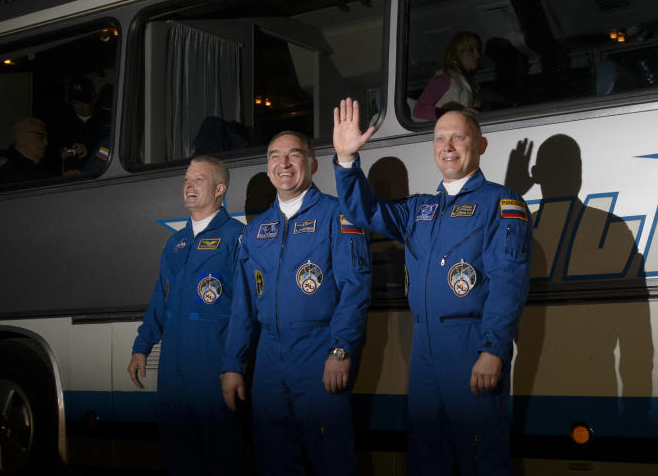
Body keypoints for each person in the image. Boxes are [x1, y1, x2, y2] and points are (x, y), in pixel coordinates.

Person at [332, 98, 532, 476]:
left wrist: (493, 349)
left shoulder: (502, 203)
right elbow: (365, 211)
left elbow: (509, 281)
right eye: (441, 139)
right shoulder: (419, 209)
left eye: (459, 137)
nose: (448, 147)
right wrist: (346, 162)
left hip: (471, 344)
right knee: (426, 455)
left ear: (481, 145)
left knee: (481, 454)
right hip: (424, 348)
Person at [221, 130, 371, 476]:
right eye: (275, 156)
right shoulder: (257, 230)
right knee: (273, 458)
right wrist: (233, 364)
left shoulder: (339, 216)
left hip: (319, 352)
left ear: (313, 164)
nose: (283, 164)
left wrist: (341, 350)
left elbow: (355, 287)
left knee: (331, 457)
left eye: (294, 155)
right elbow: (243, 303)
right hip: (270, 359)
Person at [128, 155, 247, 475]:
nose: (189, 186)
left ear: (220, 189)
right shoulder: (176, 242)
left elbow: (244, 309)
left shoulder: (236, 237)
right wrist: (142, 346)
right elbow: (160, 298)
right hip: (173, 372)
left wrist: (234, 364)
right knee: (178, 457)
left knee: (223, 458)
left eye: (198, 179)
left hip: (212, 368)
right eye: (186, 179)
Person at [412, 31, 482, 120]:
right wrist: (455, 113)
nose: (478, 55)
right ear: (457, 54)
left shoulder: (470, 84)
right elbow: (419, 110)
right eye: (471, 50)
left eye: (478, 50)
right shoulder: (445, 78)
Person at [0, 117, 54, 188]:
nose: (46, 143)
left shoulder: (42, 167)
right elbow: (18, 184)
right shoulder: (3, 158)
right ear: (21, 137)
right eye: (40, 137)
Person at [56, 76, 109, 175]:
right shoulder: (61, 121)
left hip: (97, 175)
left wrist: (89, 149)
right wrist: (60, 152)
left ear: (94, 98)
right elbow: (47, 149)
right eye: (75, 103)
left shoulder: (108, 120)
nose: (79, 107)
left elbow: (109, 149)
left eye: (83, 102)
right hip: (69, 177)